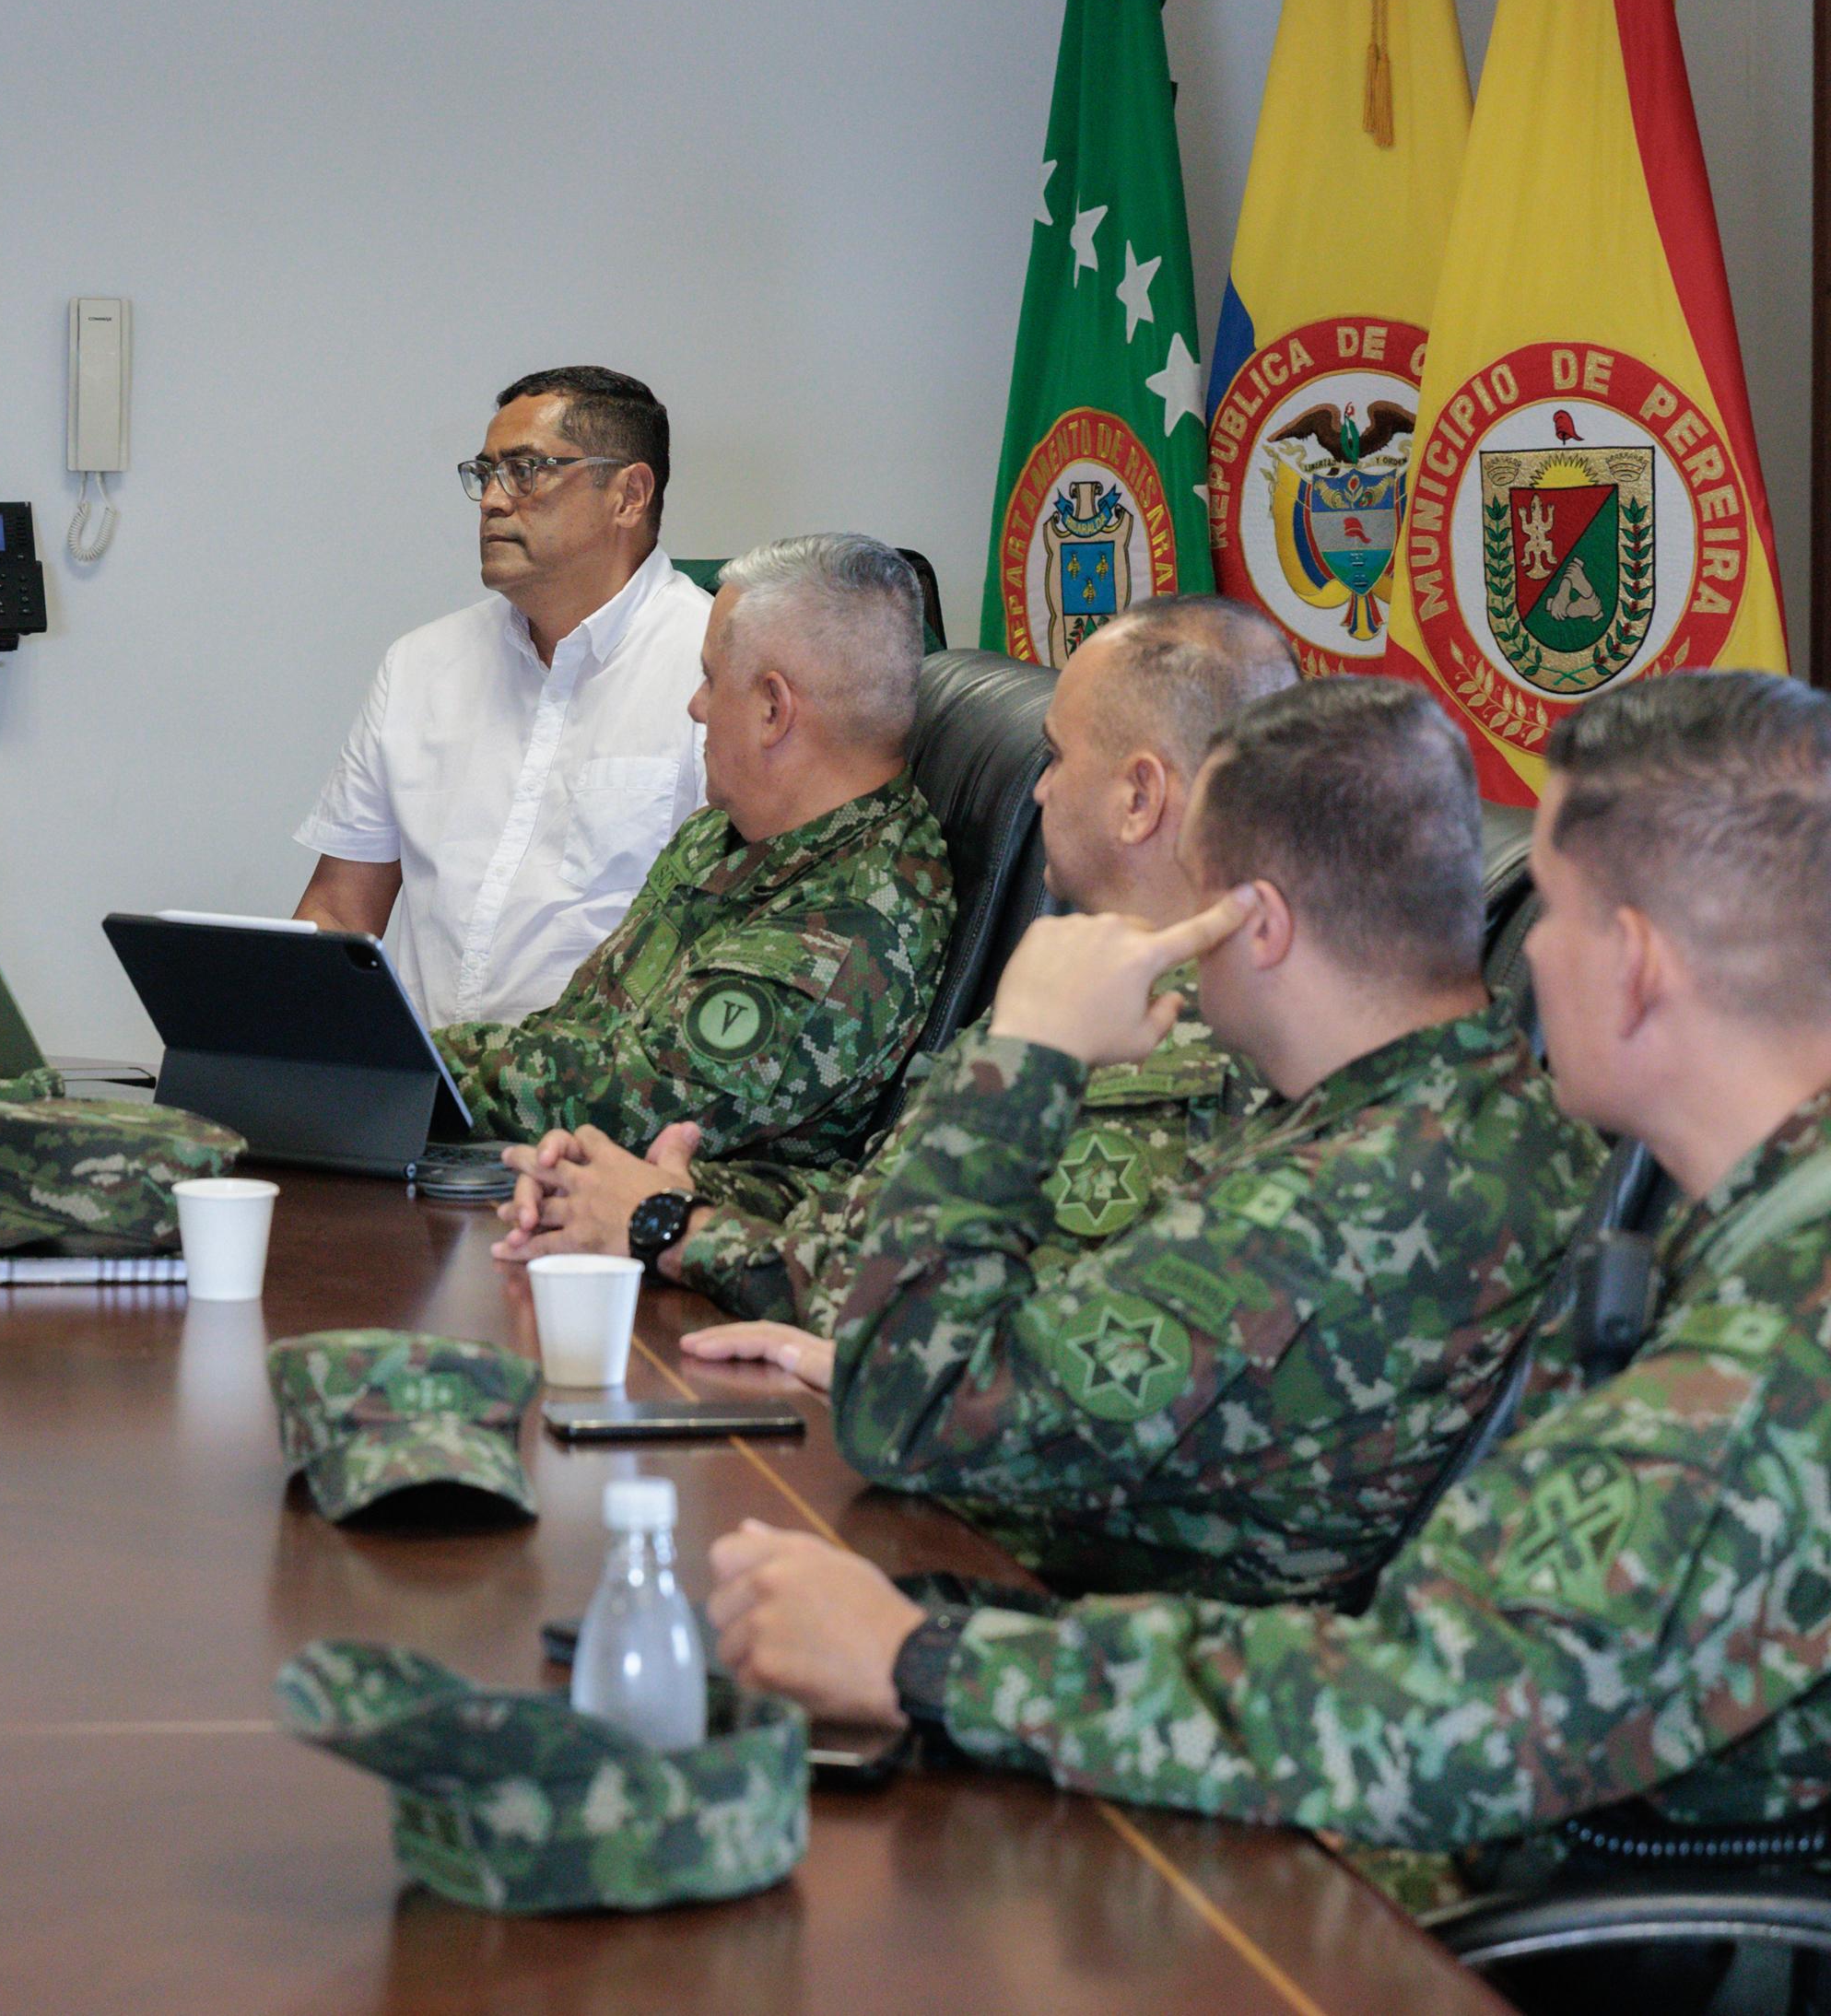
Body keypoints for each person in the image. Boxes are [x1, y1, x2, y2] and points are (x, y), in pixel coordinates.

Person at [705, 674, 1831, 1874]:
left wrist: (921, 1658)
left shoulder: (1780, 1338)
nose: (1526, 956)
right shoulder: (1742, 1222)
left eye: (1548, 910)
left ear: (1638, 965)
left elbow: (1435, 1714)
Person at [769, 678, 1599, 1602]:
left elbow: (902, 1405)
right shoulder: (1500, 1110)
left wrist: (1026, 1055)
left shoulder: (1324, 1208)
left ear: (1257, 925)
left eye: (1197, 889)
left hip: (1095, 1659)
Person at [505, 597, 1298, 1329]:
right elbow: (884, 1204)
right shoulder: (1098, 973)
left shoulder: (1180, 1035)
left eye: (1055, 757)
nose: (1041, 789)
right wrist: (656, 1185)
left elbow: (934, 1313)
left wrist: (671, 1226)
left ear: (1139, 797)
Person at [440, 533, 954, 1221]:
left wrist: (409, 1061)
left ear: (774, 709)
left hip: (664, 1264)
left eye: (712, 679)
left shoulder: (855, 923)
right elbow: (580, 1028)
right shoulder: (734, 828)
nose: (696, 706)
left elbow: (626, 1102)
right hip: (542, 1180)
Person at [292, 368, 712, 1029]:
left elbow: (741, 943)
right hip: (429, 1102)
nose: (491, 500)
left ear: (629, 494)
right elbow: (340, 915)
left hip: (605, 1109)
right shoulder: (420, 667)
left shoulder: (718, 669)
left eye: (527, 470)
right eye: (485, 474)